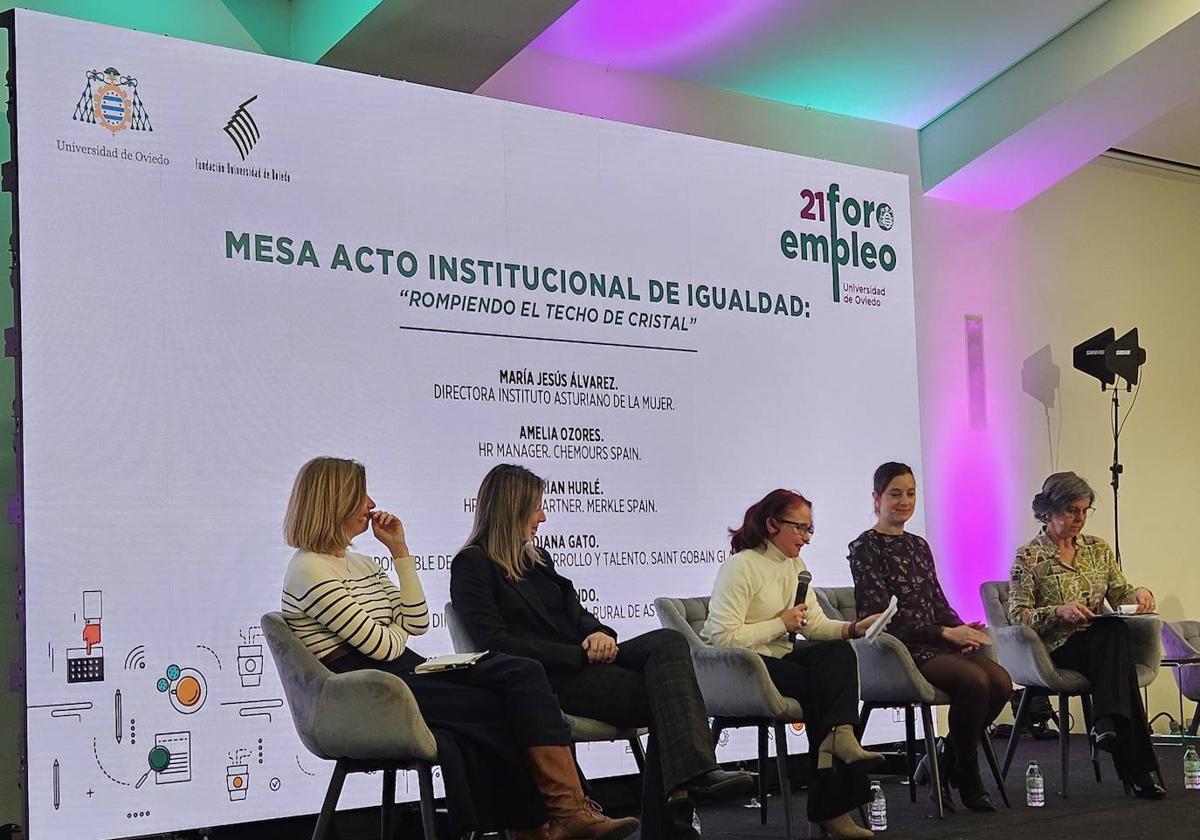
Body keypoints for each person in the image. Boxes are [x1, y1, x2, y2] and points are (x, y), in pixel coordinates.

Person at [281, 457, 640, 840]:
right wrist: (394, 627)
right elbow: (380, 647)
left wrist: (399, 552)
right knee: (504, 696)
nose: (371, 505)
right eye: (360, 497)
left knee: (520, 672)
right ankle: (549, 821)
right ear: (333, 501)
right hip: (367, 688)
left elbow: (417, 621)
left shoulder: (363, 563)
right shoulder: (309, 570)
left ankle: (561, 815)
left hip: (404, 669)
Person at [450, 464, 754, 840]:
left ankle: (690, 780)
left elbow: (577, 614)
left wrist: (597, 633)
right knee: (670, 699)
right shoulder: (473, 564)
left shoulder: (539, 559)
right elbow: (494, 642)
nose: (543, 517)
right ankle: (681, 801)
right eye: (536, 508)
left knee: (668, 642)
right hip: (548, 680)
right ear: (511, 508)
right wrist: (578, 655)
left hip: (586, 663)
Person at [703, 489, 883, 840]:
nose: (806, 538)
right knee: (824, 692)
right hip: (743, 667)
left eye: (810, 530)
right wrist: (780, 624)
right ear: (772, 524)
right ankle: (831, 810)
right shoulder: (741, 565)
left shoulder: (796, 566)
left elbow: (812, 624)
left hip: (780, 657)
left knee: (840, 653)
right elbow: (723, 637)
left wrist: (851, 628)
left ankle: (840, 736)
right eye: (799, 528)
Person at [847, 462, 1012, 812]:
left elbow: (936, 600)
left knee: (1001, 681)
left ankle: (944, 758)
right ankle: (966, 774)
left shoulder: (918, 545)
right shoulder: (865, 547)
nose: (904, 501)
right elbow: (882, 617)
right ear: (876, 498)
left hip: (935, 641)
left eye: (910, 493)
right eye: (895, 494)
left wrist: (961, 631)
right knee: (975, 682)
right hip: (899, 651)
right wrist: (945, 633)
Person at [1009, 471, 1164, 799]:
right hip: (1055, 647)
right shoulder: (1029, 556)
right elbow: (1017, 616)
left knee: (1113, 632)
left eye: (1084, 511)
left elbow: (1121, 591)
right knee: (1115, 639)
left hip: (1100, 642)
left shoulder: (1098, 549)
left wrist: (1139, 593)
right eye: (1071, 511)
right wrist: (1057, 611)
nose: (1079, 519)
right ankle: (1134, 765)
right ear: (1048, 511)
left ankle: (1107, 724)